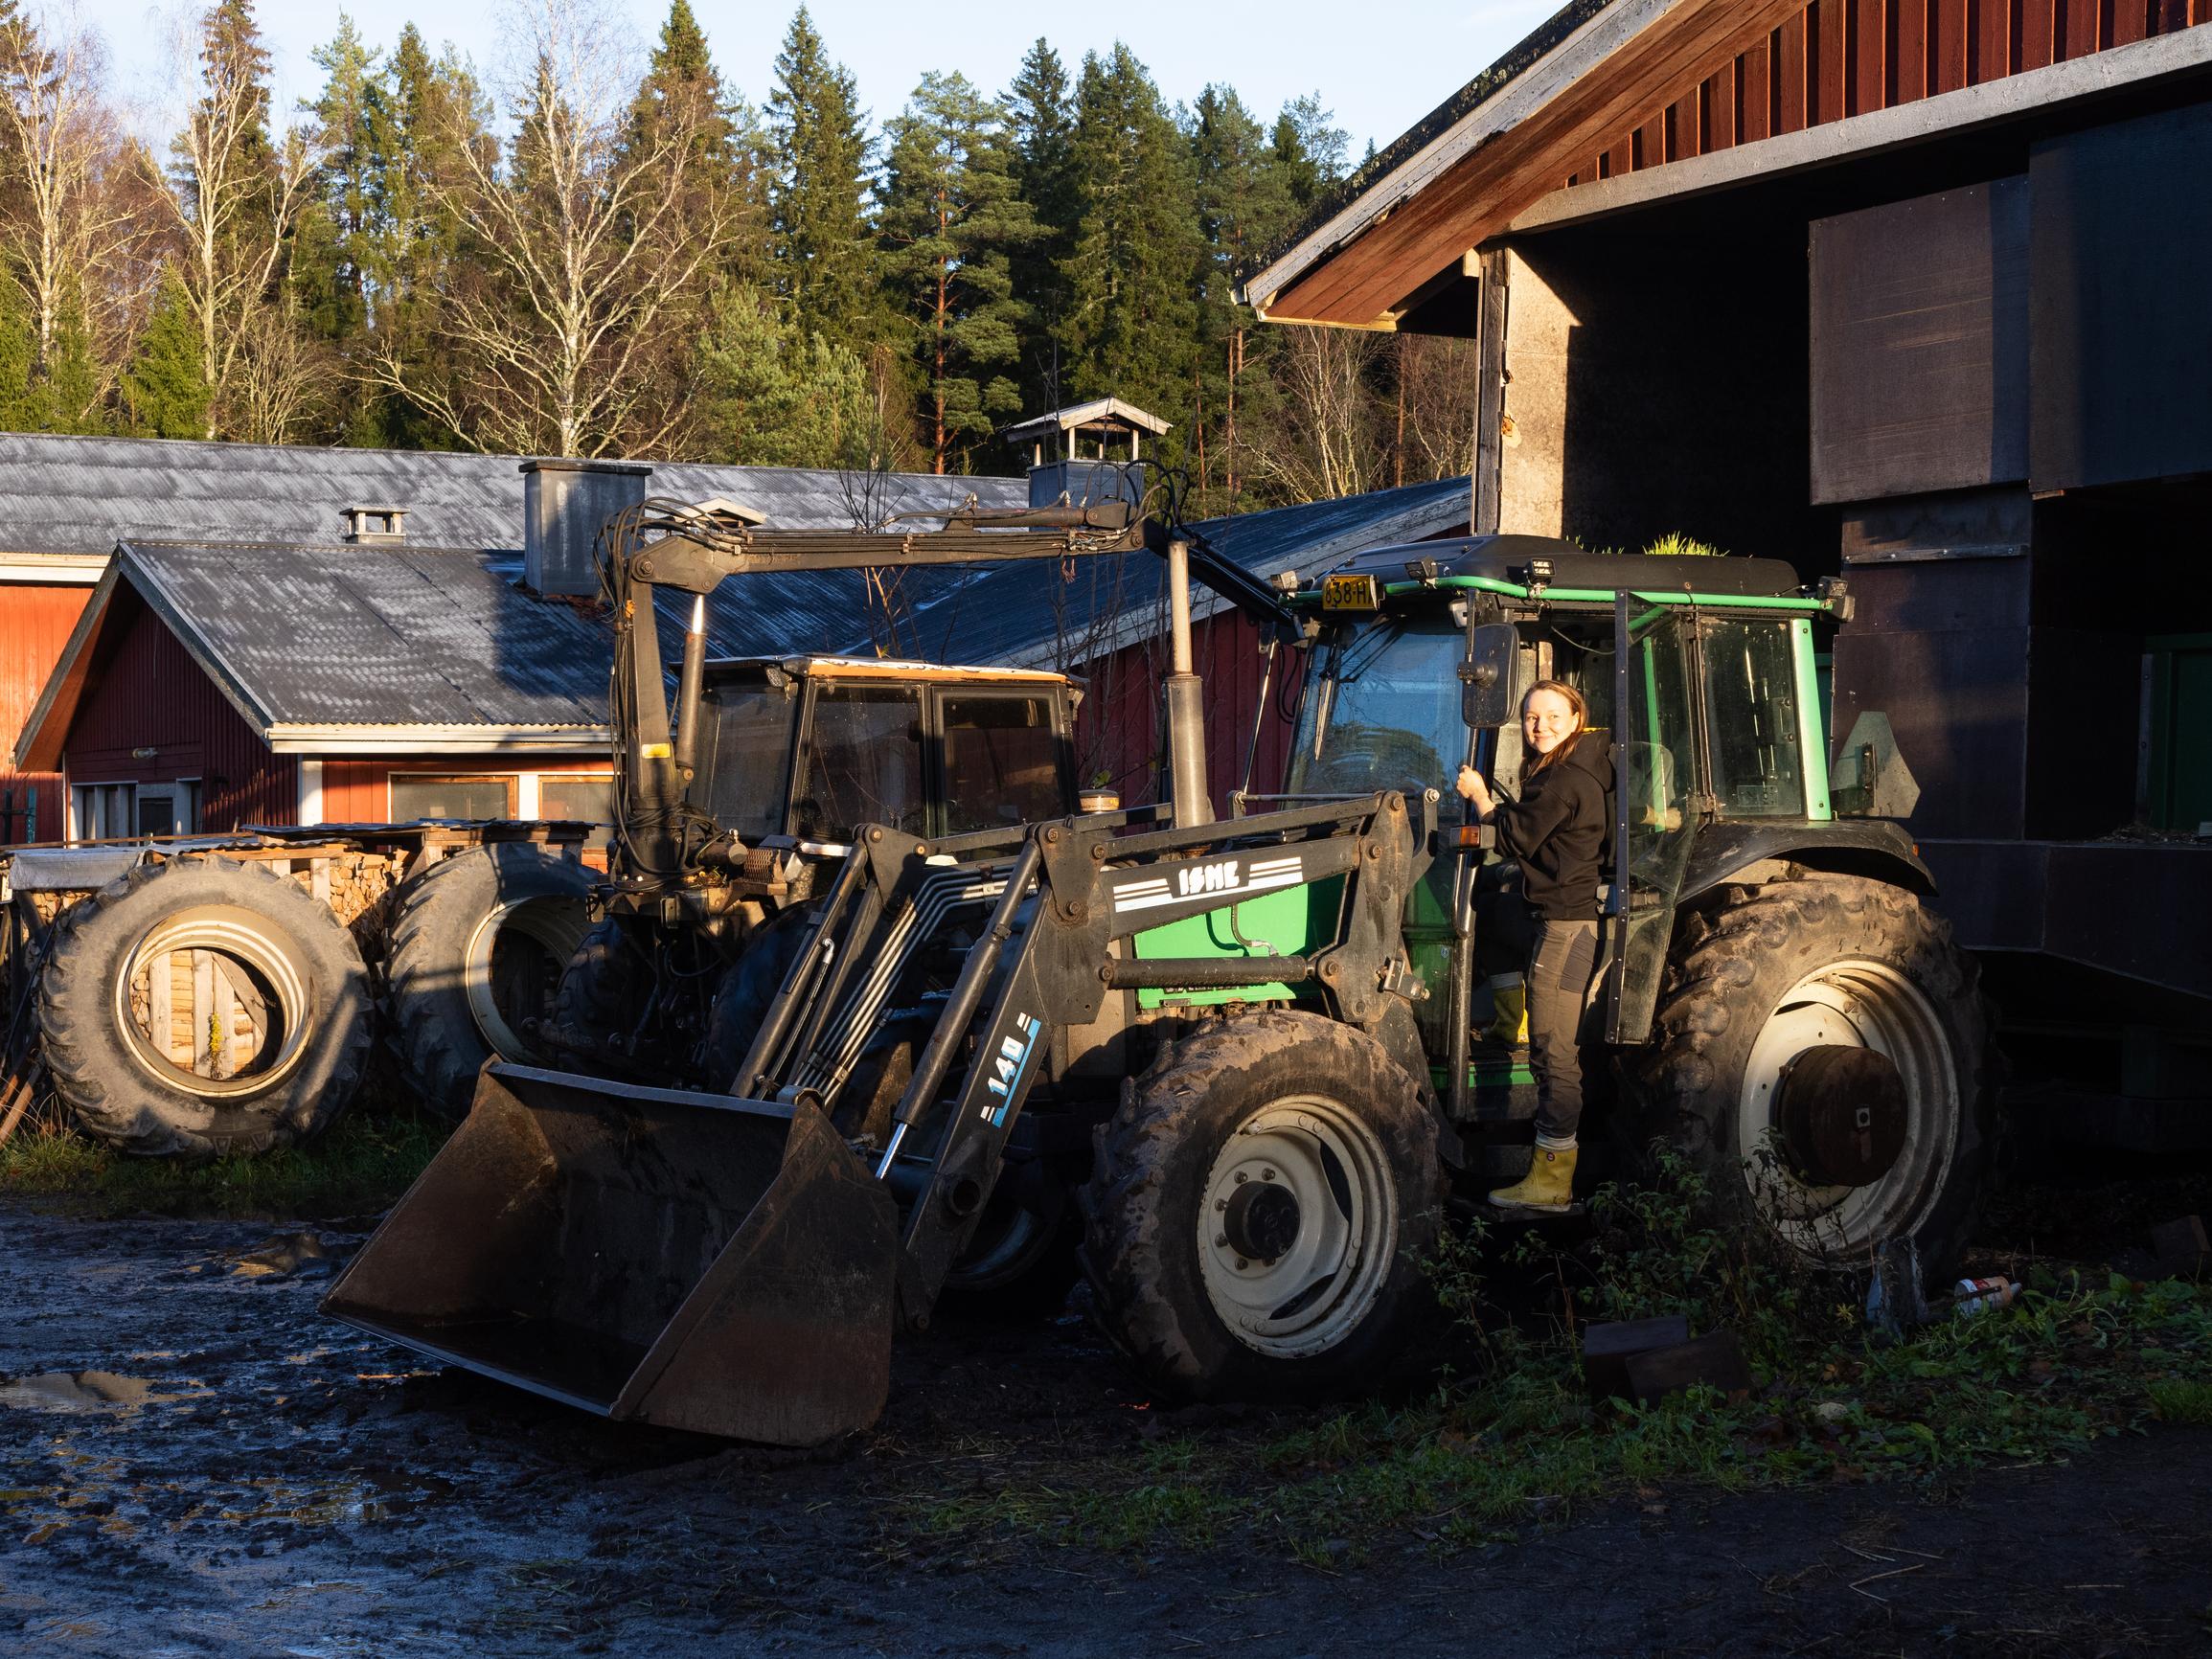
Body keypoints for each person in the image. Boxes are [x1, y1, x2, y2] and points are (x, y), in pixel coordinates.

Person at [1456, 680, 1609, 1214]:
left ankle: (1552, 1177)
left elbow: (1514, 835)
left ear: (1574, 719)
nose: (1538, 725)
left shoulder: (1564, 781)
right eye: (1529, 717)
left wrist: (1479, 797)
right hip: (1552, 916)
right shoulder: (1563, 770)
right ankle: (1507, 1022)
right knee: (1495, 911)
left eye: (1550, 716)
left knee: (1554, 1052)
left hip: (1566, 929)